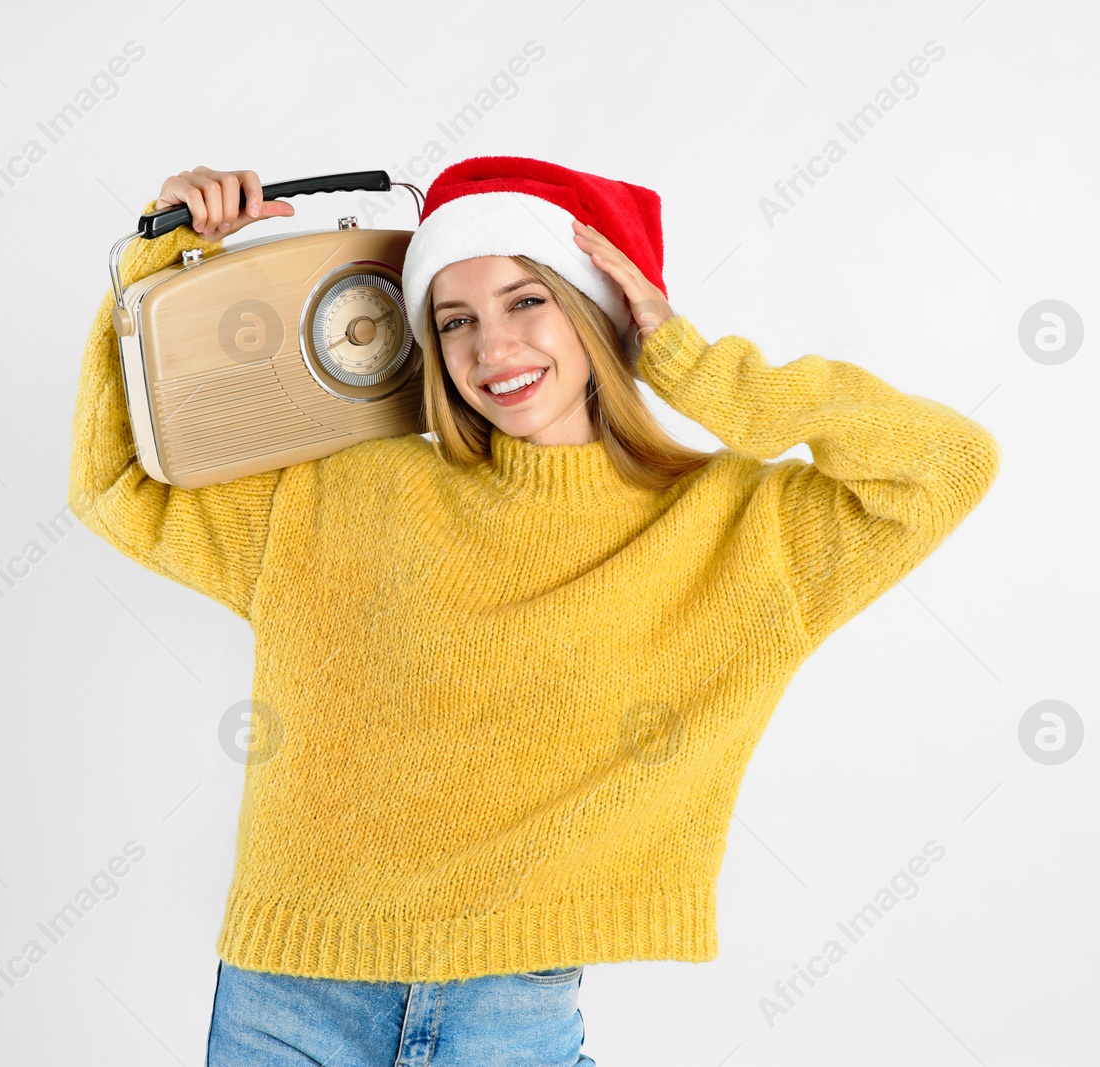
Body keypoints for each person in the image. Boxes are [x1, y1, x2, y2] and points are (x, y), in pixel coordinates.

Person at [67, 156, 1001, 1066]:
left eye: (527, 301)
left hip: (509, 1016)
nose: (492, 348)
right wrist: (159, 263)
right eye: (455, 318)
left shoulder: (739, 532)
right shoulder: (347, 492)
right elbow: (115, 484)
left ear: (602, 311)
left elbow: (946, 466)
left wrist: (695, 364)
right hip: (288, 999)